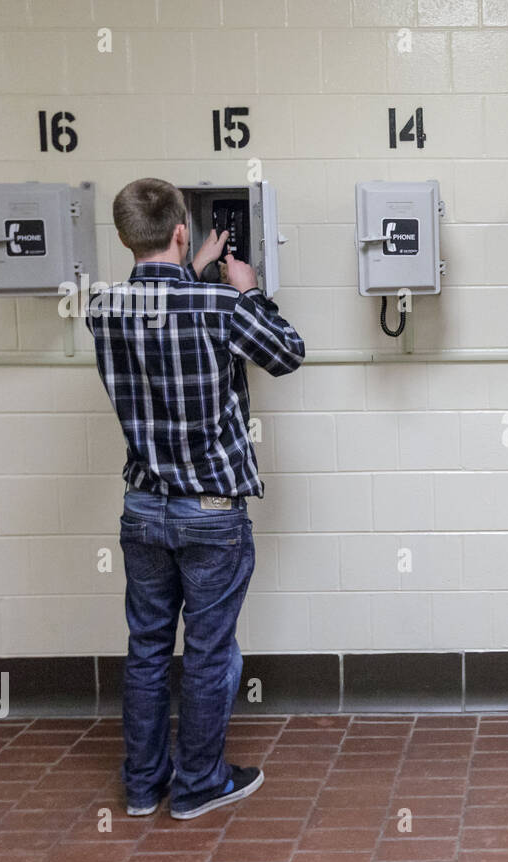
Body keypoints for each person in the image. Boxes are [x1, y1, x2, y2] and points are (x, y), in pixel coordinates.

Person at [86, 178, 305, 820]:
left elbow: (160, 317)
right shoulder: (220, 305)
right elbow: (289, 353)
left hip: (143, 509)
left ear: (126, 237)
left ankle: (142, 784)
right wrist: (245, 289)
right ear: (182, 231)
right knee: (209, 652)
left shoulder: (103, 309)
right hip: (211, 512)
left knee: (148, 647)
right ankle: (199, 785)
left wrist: (194, 273)